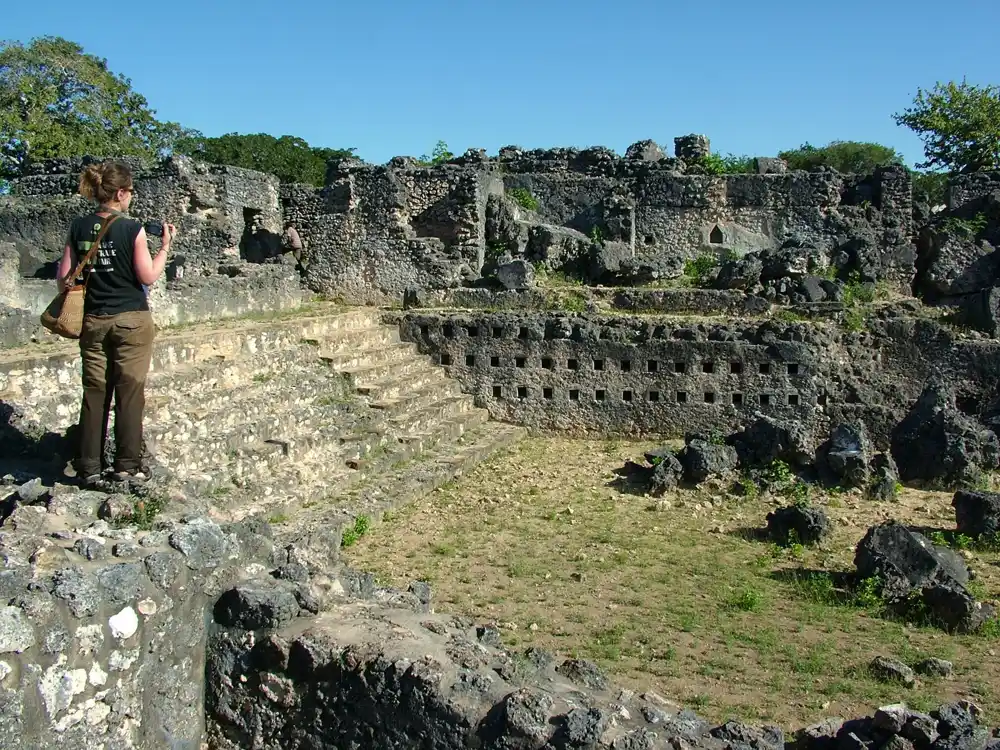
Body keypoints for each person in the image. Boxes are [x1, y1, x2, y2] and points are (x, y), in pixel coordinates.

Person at [56, 161, 176, 488]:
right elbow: (148, 276)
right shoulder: (131, 229)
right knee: (129, 392)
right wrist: (164, 248)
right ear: (120, 193)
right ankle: (127, 465)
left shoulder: (78, 227)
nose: (132, 198)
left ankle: (89, 466)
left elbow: (64, 280)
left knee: (95, 393)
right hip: (131, 321)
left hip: (94, 320)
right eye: (131, 192)